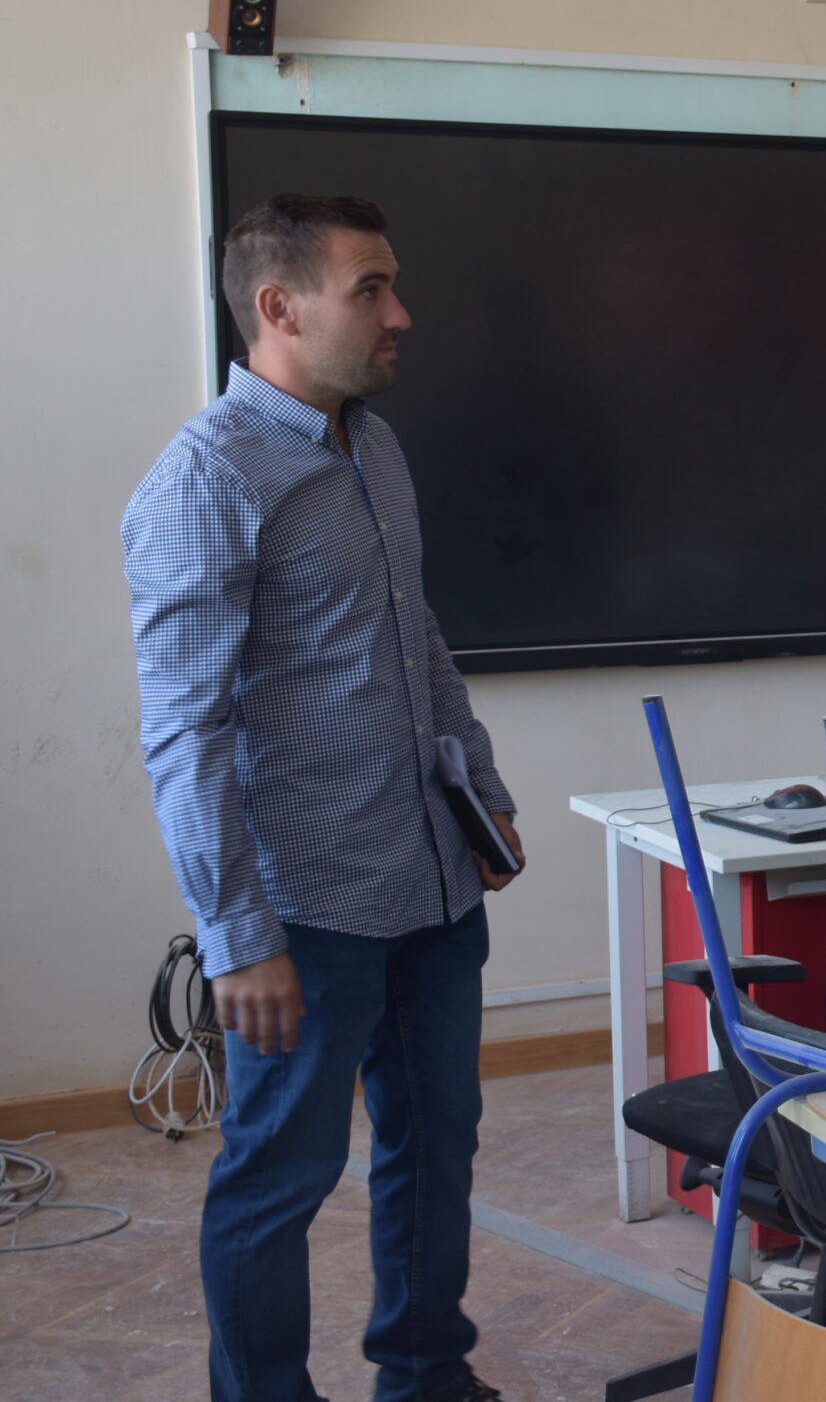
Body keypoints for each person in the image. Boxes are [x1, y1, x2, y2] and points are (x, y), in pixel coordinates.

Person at [122, 194, 521, 1402]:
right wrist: (238, 936)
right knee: (276, 1180)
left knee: (435, 1150)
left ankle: (427, 1377)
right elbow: (184, 732)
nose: (402, 314)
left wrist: (480, 785)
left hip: (433, 886)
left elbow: (414, 633)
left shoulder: (374, 447)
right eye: (371, 290)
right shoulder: (207, 477)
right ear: (279, 306)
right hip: (306, 915)